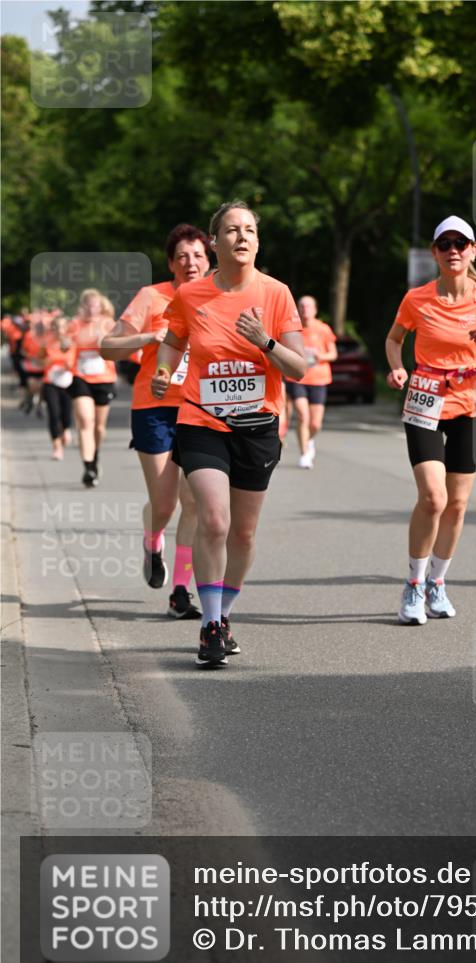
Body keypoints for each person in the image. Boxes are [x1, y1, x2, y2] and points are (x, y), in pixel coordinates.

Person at [151, 200, 305, 666]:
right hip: (202, 421)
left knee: (243, 533)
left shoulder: (276, 294)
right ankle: (209, 624)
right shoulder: (191, 295)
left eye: (250, 230)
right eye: (232, 230)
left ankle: (224, 614)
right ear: (214, 243)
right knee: (214, 519)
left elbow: (298, 368)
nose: (242, 236)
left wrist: (265, 341)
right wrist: (164, 371)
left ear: (258, 242)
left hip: (257, 427)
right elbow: (173, 341)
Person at [385, 215, 476, 624]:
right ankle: (414, 584)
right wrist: (397, 367)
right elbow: (394, 338)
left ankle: (437, 583)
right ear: (435, 253)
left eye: (461, 244)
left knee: (456, 505)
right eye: (445, 244)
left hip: (469, 399)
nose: (453, 250)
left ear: (473, 251)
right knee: (433, 498)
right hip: (424, 397)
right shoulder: (417, 298)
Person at [100, 224, 210, 619]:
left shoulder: (218, 297)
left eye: (197, 255)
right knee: (164, 504)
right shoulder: (152, 297)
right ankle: (152, 539)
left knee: (193, 501)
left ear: (208, 260)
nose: (190, 262)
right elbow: (107, 347)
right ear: (171, 263)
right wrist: (149, 338)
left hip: (200, 407)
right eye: (182, 256)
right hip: (155, 407)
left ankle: (180, 592)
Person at [67, 289, 116, 487]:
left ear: (101, 306)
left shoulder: (108, 323)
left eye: (94, 304)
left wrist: (103, 340)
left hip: (104, 379)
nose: (90, 308)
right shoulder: (75, 324)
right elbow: (65, 344)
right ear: (82, 306)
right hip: (80, 377)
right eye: (87, 304)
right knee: (85, 421)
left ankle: (95, 455)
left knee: (99, 427)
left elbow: (116, 347)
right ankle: (88, 467)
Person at [284, 296, 337, 468]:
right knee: (302, 415)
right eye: (302, 306)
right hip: (297, 378)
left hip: (319, 379)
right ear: (297, 309)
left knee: (315, 424)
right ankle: (304, 453)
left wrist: (320, 356)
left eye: (308, 306)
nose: (305, 310)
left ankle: (309, 439)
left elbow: (333, 354)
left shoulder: (323, 329)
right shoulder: (292, 328)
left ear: (315, 309)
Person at [42, 315, 75, 460]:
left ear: (66, 328)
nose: (59, 330)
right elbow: (40, 361)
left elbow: (75, 363)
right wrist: (47, 361)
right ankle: (57, 447)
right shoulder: (47, 343)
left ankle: (66, 429)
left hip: (67, 382)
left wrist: (68, 365)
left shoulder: (72, 343)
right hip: (50, 382)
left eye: (62, 326)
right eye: (56, 327)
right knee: (53, 413)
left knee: (66, 412)